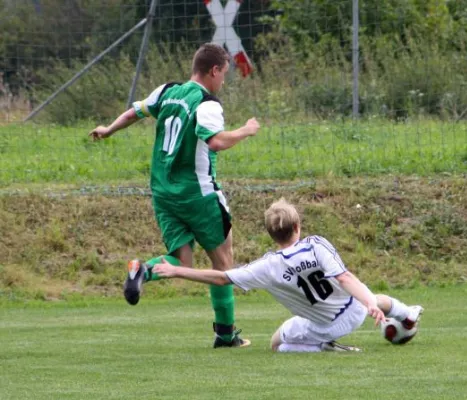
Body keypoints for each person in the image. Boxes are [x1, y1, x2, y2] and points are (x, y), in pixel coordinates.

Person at [89, 43, 259, 348]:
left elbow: (134, 112)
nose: (224, 82)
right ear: (214, 70)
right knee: (223, 265)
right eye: (224, 75)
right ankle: (225, 333)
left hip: (163, 192)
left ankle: (143, 270)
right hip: (199, 194)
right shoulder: (208, 104)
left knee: (182, 259)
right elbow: (217, 142)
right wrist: (246, 130)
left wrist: (108, 129)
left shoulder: (167, 90)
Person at [153, 198, 423, 352]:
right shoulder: (316, 244)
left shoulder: (268, 266)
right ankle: (406, 314)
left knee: (276, 345)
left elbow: (222, 278)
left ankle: (324, 347)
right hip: (354, 309)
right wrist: (370, 303)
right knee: (376, 297)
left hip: (324, 326)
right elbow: (345, 278)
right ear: (298, 226)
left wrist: (177, 270)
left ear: (271, 234)